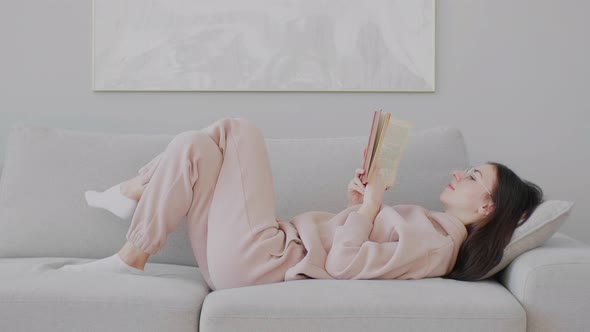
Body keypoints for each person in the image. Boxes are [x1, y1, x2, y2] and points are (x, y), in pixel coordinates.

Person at [58, 117, 544, 289]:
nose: (460, 174)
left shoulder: (438, 244)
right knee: (197, 145)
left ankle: (130, 203)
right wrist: (358, 206)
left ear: (486, 206)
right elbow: (353, 249)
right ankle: (132, 235)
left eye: (474, 176)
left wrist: (371, 208)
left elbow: (343, 261)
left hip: (261, 260)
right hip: (245, 257)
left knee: (237, 130)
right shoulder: (431, 228)